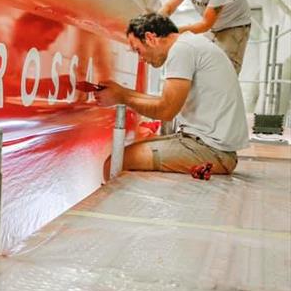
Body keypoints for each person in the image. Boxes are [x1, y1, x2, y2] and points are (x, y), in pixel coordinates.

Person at [97, 13, 249, 175]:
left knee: (115, 163)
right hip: (212, 148)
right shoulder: (189, 44)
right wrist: (122, 92)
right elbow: (166, 102)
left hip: (212, 152)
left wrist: (121, 96)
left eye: (138, 50)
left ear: (150, 38)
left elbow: (166, 110)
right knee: (127, 155)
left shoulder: (181, 50)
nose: (141, 59)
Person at [158, 0, 251, 74]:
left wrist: (170, 31)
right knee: (202, 62)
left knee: (225, 70)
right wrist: (156, 21)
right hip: (214, 28)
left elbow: (206, 24)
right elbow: (169, 6)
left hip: (234, 26)